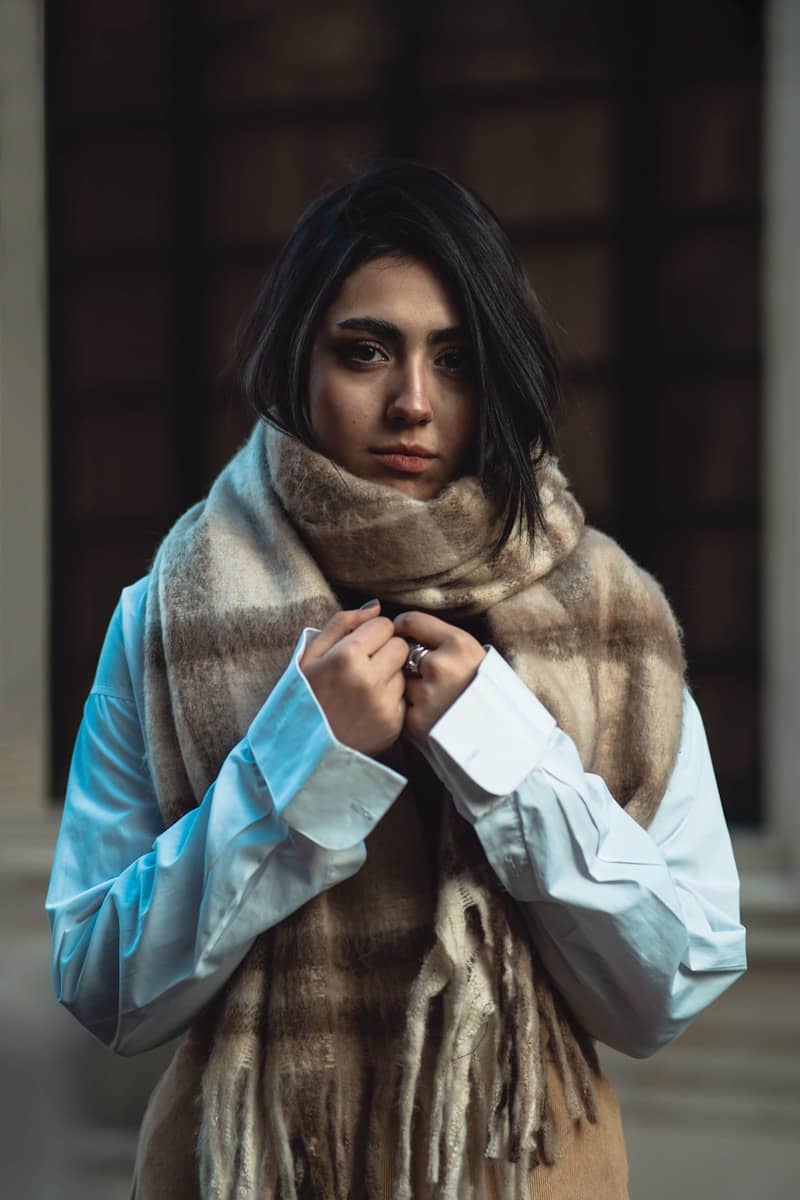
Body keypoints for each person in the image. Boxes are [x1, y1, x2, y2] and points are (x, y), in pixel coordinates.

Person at [46, 160, 746, 1200]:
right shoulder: (167, 614)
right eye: (364, 351)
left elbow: (665, 991)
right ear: (297, 363)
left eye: (456, 360)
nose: (412, 403)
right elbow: (106, 989)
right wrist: (295, 770)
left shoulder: (611, 618)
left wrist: (510, 765)